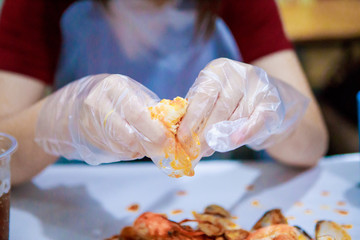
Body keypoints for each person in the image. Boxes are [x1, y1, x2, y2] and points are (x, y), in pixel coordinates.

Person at [0, 0, 328, 185]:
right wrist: (59, 119)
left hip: (212, 199)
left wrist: (274, 105)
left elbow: (313, 144)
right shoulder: (39, 6)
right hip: (78, 203)